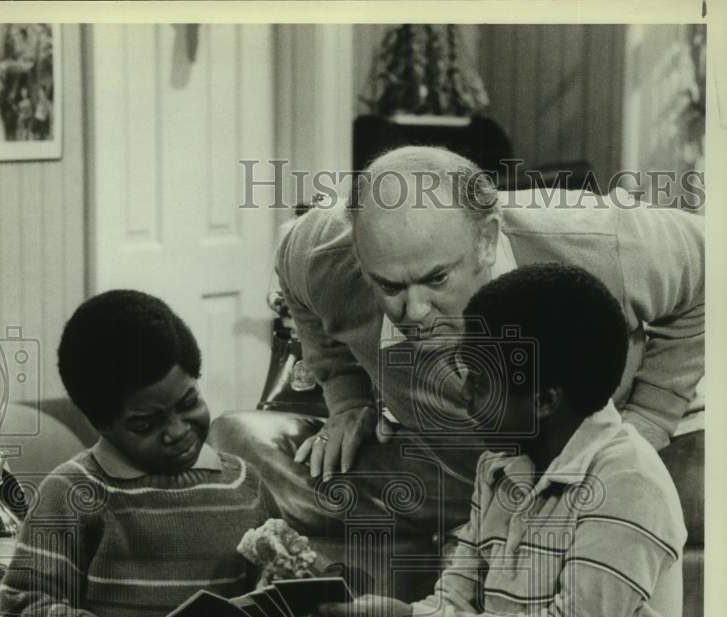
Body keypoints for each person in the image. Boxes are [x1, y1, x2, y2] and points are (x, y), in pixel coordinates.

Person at [247, 263, 690, 617]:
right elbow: (456, 592)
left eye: (479, 385)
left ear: (544, 400)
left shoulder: (625, 479)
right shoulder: (500, 461)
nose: (464, 397)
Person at [216, 145, 704, 537]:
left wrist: (651, 421)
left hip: (605, 444)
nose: (414, 313)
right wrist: (345, 397)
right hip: (451, 463)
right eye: (388, 286)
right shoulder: (319, 250)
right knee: (232, 440)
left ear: (487, 240)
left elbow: (711, 262)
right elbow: (293, 276)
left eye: (436, 279)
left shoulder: (598, 238)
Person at [0, 290, 281, 617]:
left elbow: (269, 599)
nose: (177, 431)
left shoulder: (243, 485)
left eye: (188, 403)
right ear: (101, 424)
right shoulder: (74, 491)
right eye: (145, 425)